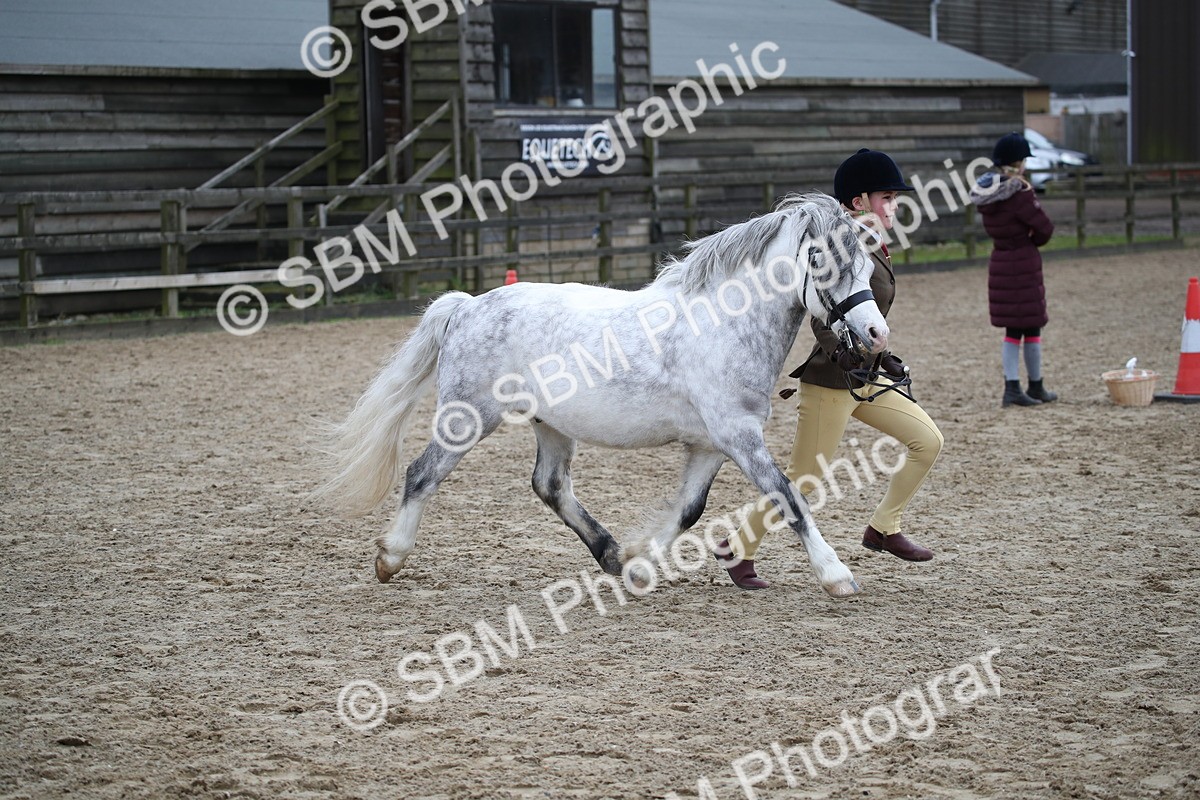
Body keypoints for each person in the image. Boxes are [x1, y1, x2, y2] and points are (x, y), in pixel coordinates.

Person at [717, 149, 945, 590]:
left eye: (895, 198)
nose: (895, 206)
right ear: (859, 201)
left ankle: (884, 527)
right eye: (887, 197)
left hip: (868, 378)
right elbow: (824, 312)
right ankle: (736, 547)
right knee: (803, 479)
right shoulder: (839, 245)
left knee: (928, 441)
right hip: (832, 381)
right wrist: (843, 352)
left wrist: (881, 357)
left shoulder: (870, 240)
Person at [969, 132, 1056, 407]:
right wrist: (1031, 239)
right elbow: (1045, 229)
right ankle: (1034, 385)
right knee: (1031, 327)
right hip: (1023, 261)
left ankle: (1013, 385)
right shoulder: (1019, 192)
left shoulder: (988, 193)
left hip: (1000, 259)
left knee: (1013, 330)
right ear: (1018, 162)